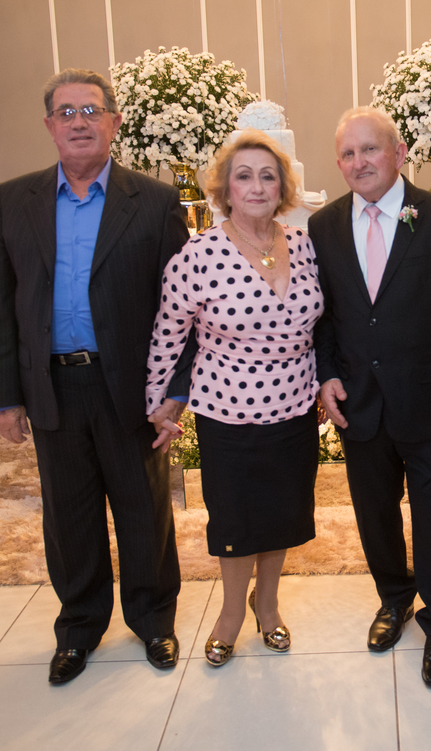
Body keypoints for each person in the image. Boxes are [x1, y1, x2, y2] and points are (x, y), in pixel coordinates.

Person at [0, 69, 188, 684]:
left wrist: (174, 392)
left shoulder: (154, 201)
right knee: (68, 516)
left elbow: (182, 306)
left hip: (130, 387)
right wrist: (5, 396)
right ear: (50, 125)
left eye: (91, 111)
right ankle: (78, 628)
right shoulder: (13, 198)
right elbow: (0, 304)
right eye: (66, 112)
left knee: (143, 508)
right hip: (52, 385)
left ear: (114, 122)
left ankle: (154, 620)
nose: (79, 122)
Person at [308, 106, 431, 688]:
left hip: (430, 400)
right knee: (374, 510)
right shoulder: (323, 226)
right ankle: (393, 598)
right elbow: (323, 316)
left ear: (399, 153)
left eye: (371, 149)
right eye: (348, 153)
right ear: (338, 163)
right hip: (358, 401)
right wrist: (326, 375)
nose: (359, 162)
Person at [144, 131, 323, 666]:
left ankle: (267, 604)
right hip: (228, 410)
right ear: (225, 189)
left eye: (268, 176)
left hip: (295, 405)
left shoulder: (305, 244)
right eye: (244, 176)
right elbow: (168, 335)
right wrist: (159, 401)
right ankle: (230, 614)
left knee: (283, 513)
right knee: (236, 519)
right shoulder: (197, 255)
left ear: (283, 187)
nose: (257, 186)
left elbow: (329, 322)